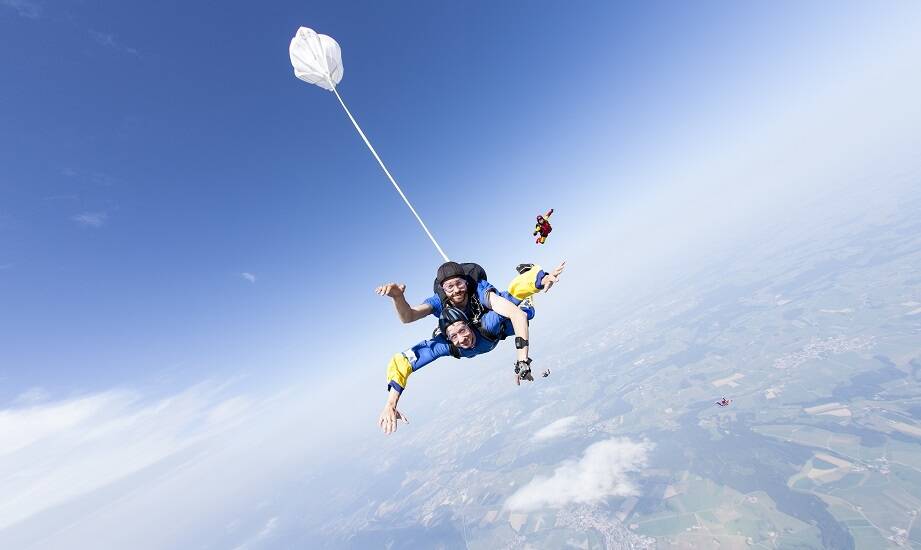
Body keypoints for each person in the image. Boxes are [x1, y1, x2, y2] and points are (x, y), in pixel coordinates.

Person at [378, 262, 566, 434]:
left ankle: (529, 271)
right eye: (449, 287)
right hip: (473, 328)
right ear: (443, 289)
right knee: (505, 316)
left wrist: (523, 361)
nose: (462, 340)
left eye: (459, 284)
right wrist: (390, 403)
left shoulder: (482, 301)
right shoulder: (447, 343)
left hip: (490, 326)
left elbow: (515, 309)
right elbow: (405, 357)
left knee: (525, 311)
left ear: (466, 283)